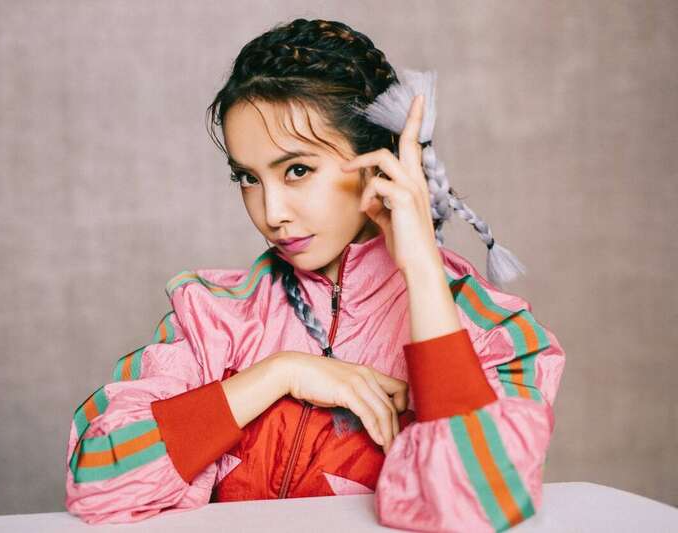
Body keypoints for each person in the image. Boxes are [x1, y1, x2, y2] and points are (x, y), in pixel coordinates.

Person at [64, 18, 565, 532]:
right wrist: (279, 374)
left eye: (297, 170)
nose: (271, 212)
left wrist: (422, 271)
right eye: (248, 178)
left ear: (378, 165)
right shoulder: (211, 314)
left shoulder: (490, 331)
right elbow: (98, 478)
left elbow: (480, 503)